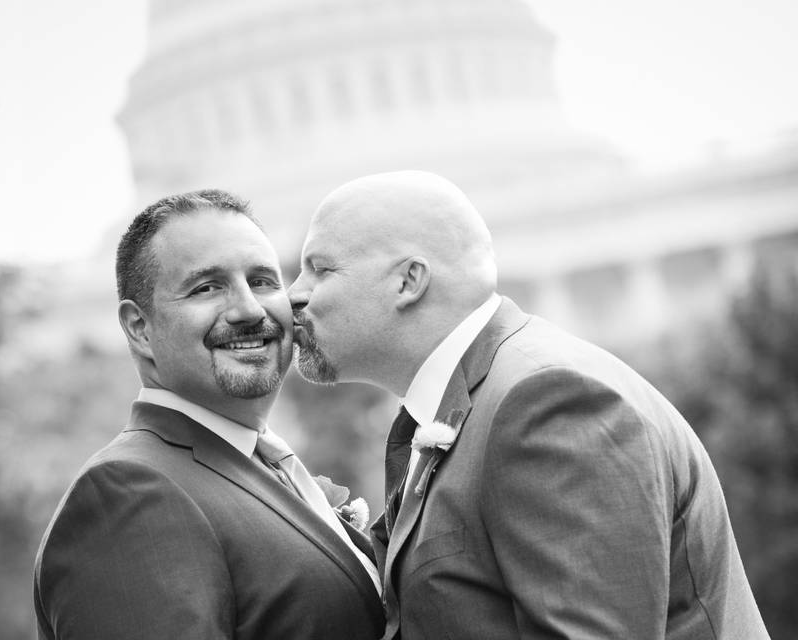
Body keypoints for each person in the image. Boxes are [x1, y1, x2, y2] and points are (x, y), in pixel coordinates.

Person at [288, 171, 769, 639]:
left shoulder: (547, 402)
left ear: (409, 281)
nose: (294, 294)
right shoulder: (475, 401)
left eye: (321, 269)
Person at [33, 189, 384, 640]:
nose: (249, 310)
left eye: (262, 281)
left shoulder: (256, 465)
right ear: (140, 328)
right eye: (207, 288)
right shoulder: (129, 493)